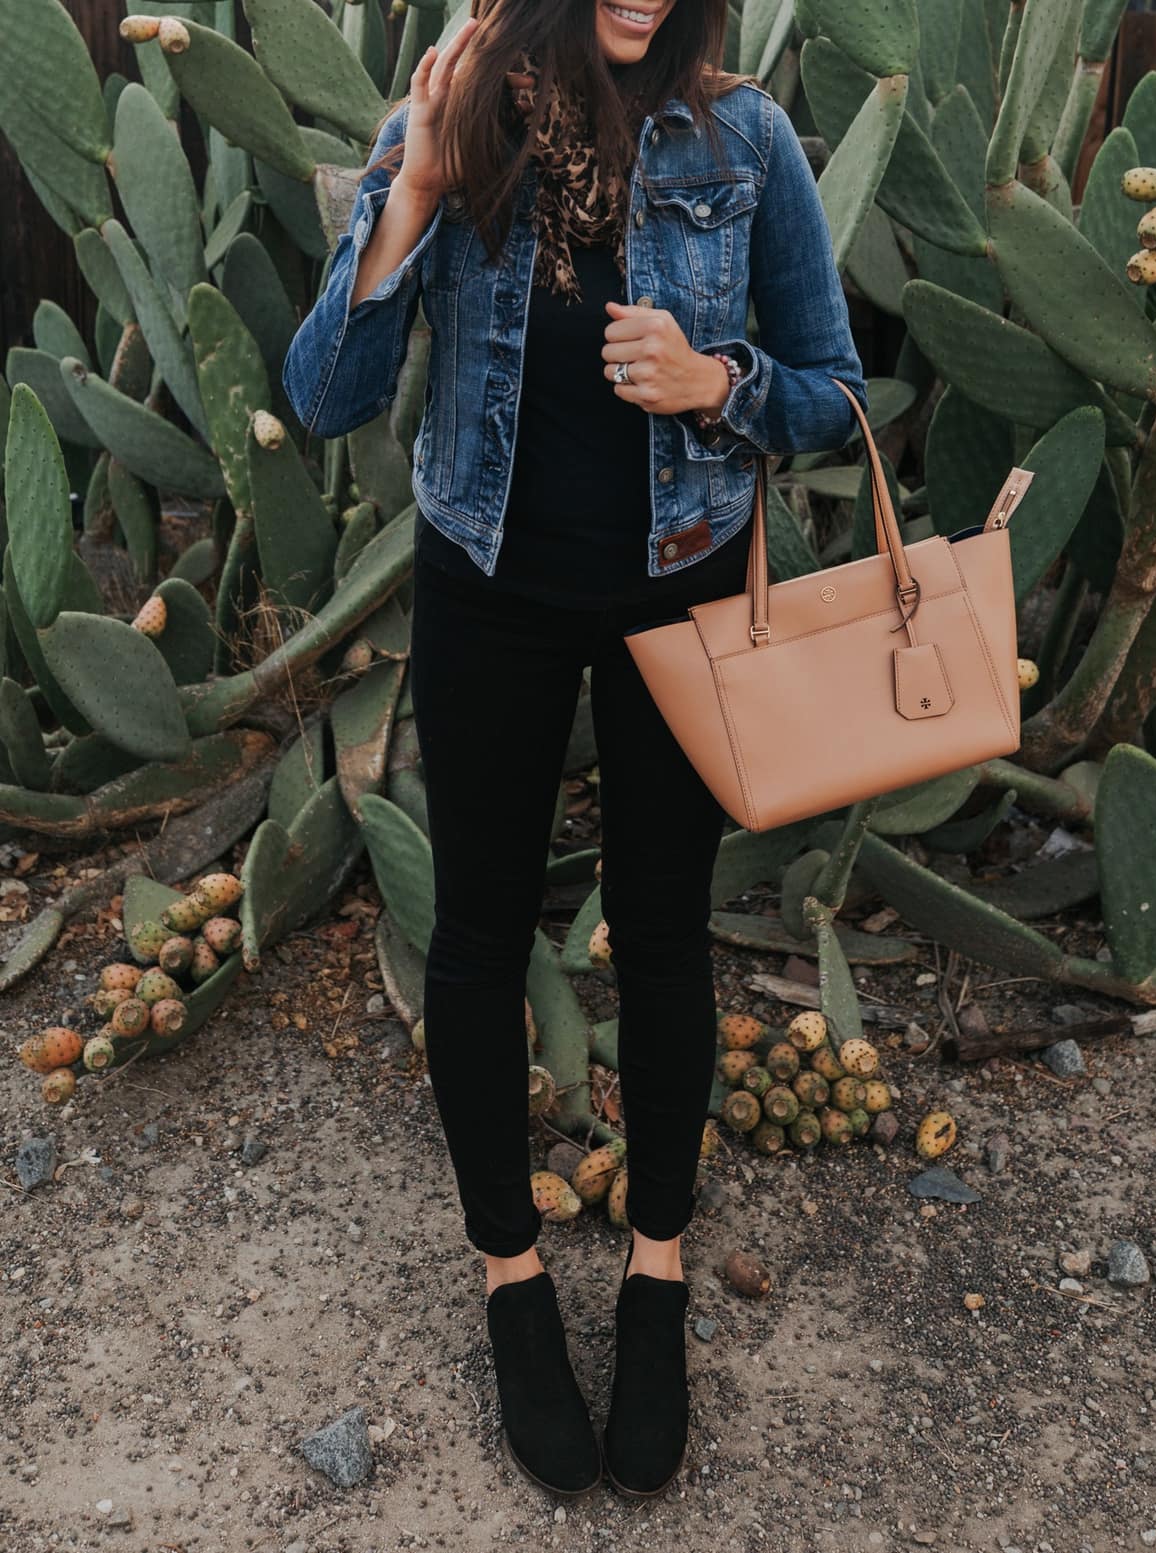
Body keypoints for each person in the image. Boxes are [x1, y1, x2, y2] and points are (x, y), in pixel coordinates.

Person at [283, 0, 867, 1504]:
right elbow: (326, 395)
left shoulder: (746, 139)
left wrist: (715, 383)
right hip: (488, 587)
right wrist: (410, 183)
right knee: (477, 938)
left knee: (665, 936)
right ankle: (514, 1283)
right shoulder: (455, 116)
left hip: (683, 591)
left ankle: (658, 1282)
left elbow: (837, 390)